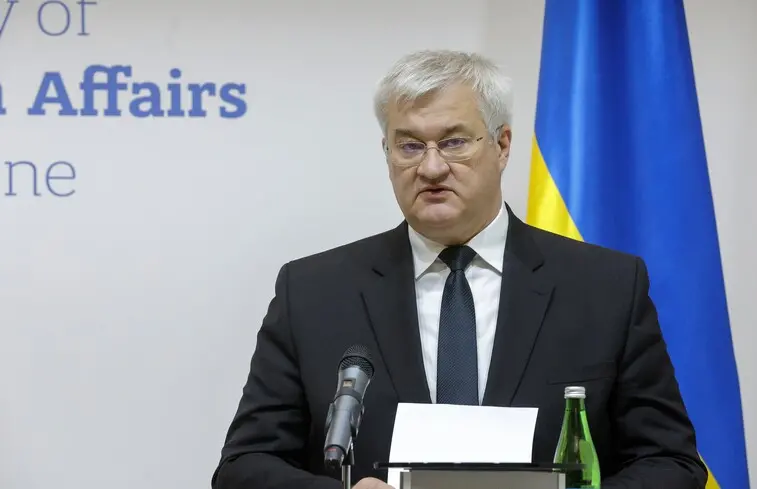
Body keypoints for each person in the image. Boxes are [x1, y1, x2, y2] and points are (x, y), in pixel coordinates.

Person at [211, 50, 708, 489]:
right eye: (409, 146)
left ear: (502, 145)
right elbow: (244, 466)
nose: (430, 168)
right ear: (386, 153)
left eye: (453, 143)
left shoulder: (605, 287)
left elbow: (671, 462)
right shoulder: (313, 291)